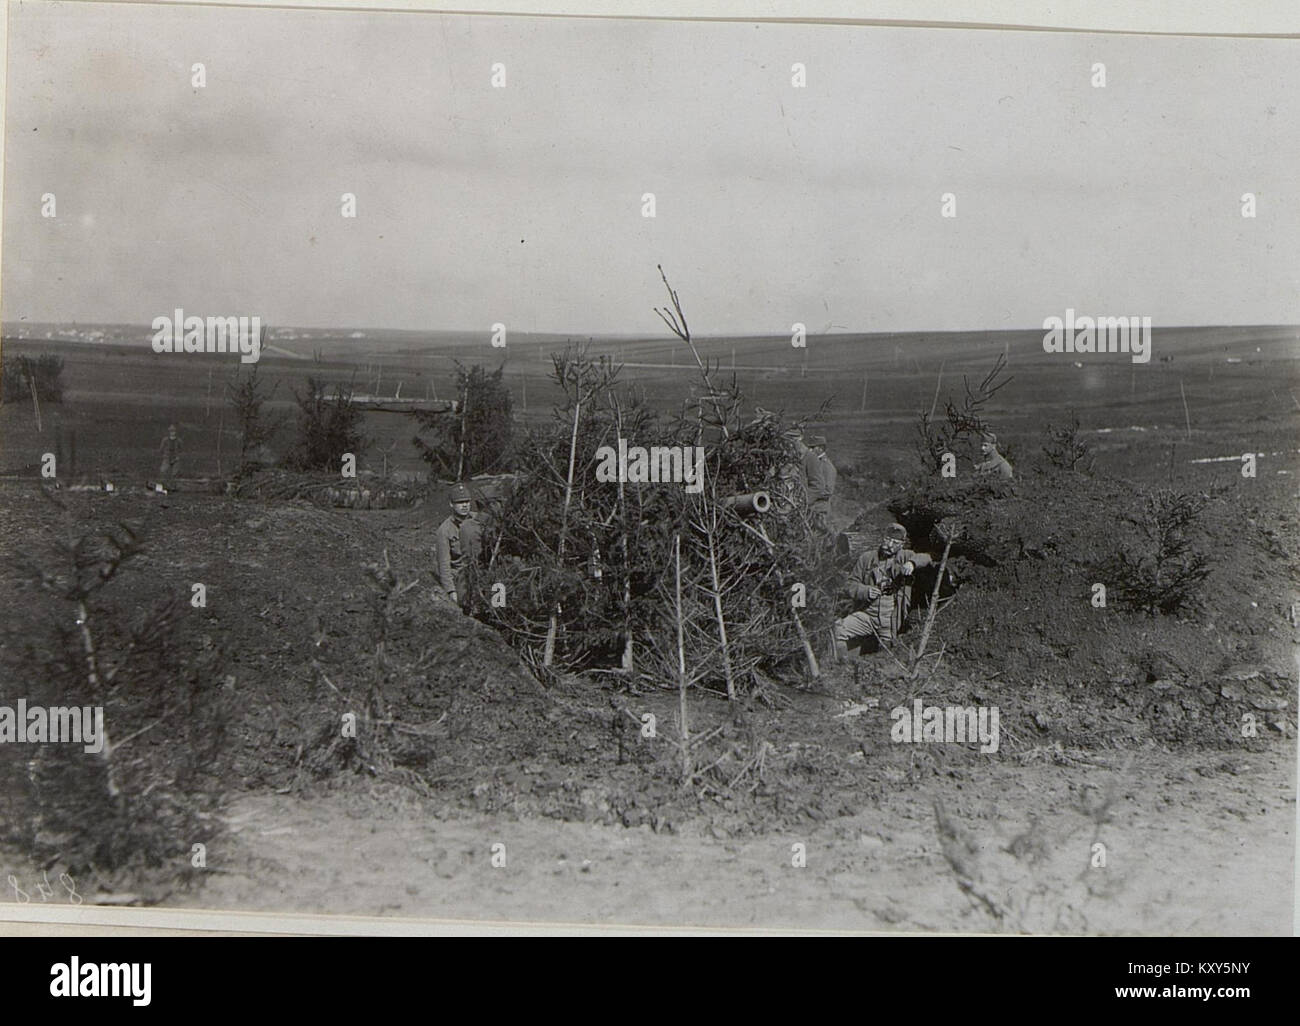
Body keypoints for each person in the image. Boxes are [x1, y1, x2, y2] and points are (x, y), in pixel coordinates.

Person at [834, 523, 933, 657]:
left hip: (890, 620)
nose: (889, 545)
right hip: (867, 616)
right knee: (838, 628)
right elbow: (850, 584)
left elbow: (927, 558)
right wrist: (866, 591)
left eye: (895, 542)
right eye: (887, 540)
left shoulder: (905, 556)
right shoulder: (866, 558)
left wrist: (912, 563)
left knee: (887, 655)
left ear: (902, 544)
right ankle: (841, 668)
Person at [436, 482, 483, 611]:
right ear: (451, 504)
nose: (464, 505)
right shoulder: (444, 530)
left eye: (467, 501)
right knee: (468, 607)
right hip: (462, 575)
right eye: (460, 502)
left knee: (498, 597)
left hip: (482, 570)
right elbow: (444, 565)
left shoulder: (478, 519)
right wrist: (451, 592)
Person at [801, 433, 837, 532]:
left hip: (820, 509)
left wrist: (809, 497)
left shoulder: (827, 466)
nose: (810, 450)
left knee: (819, 536)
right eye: (809, 448)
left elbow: (828, 491)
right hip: (812, 508)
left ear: (821, 448)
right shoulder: (814, 462)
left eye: (813, 447)